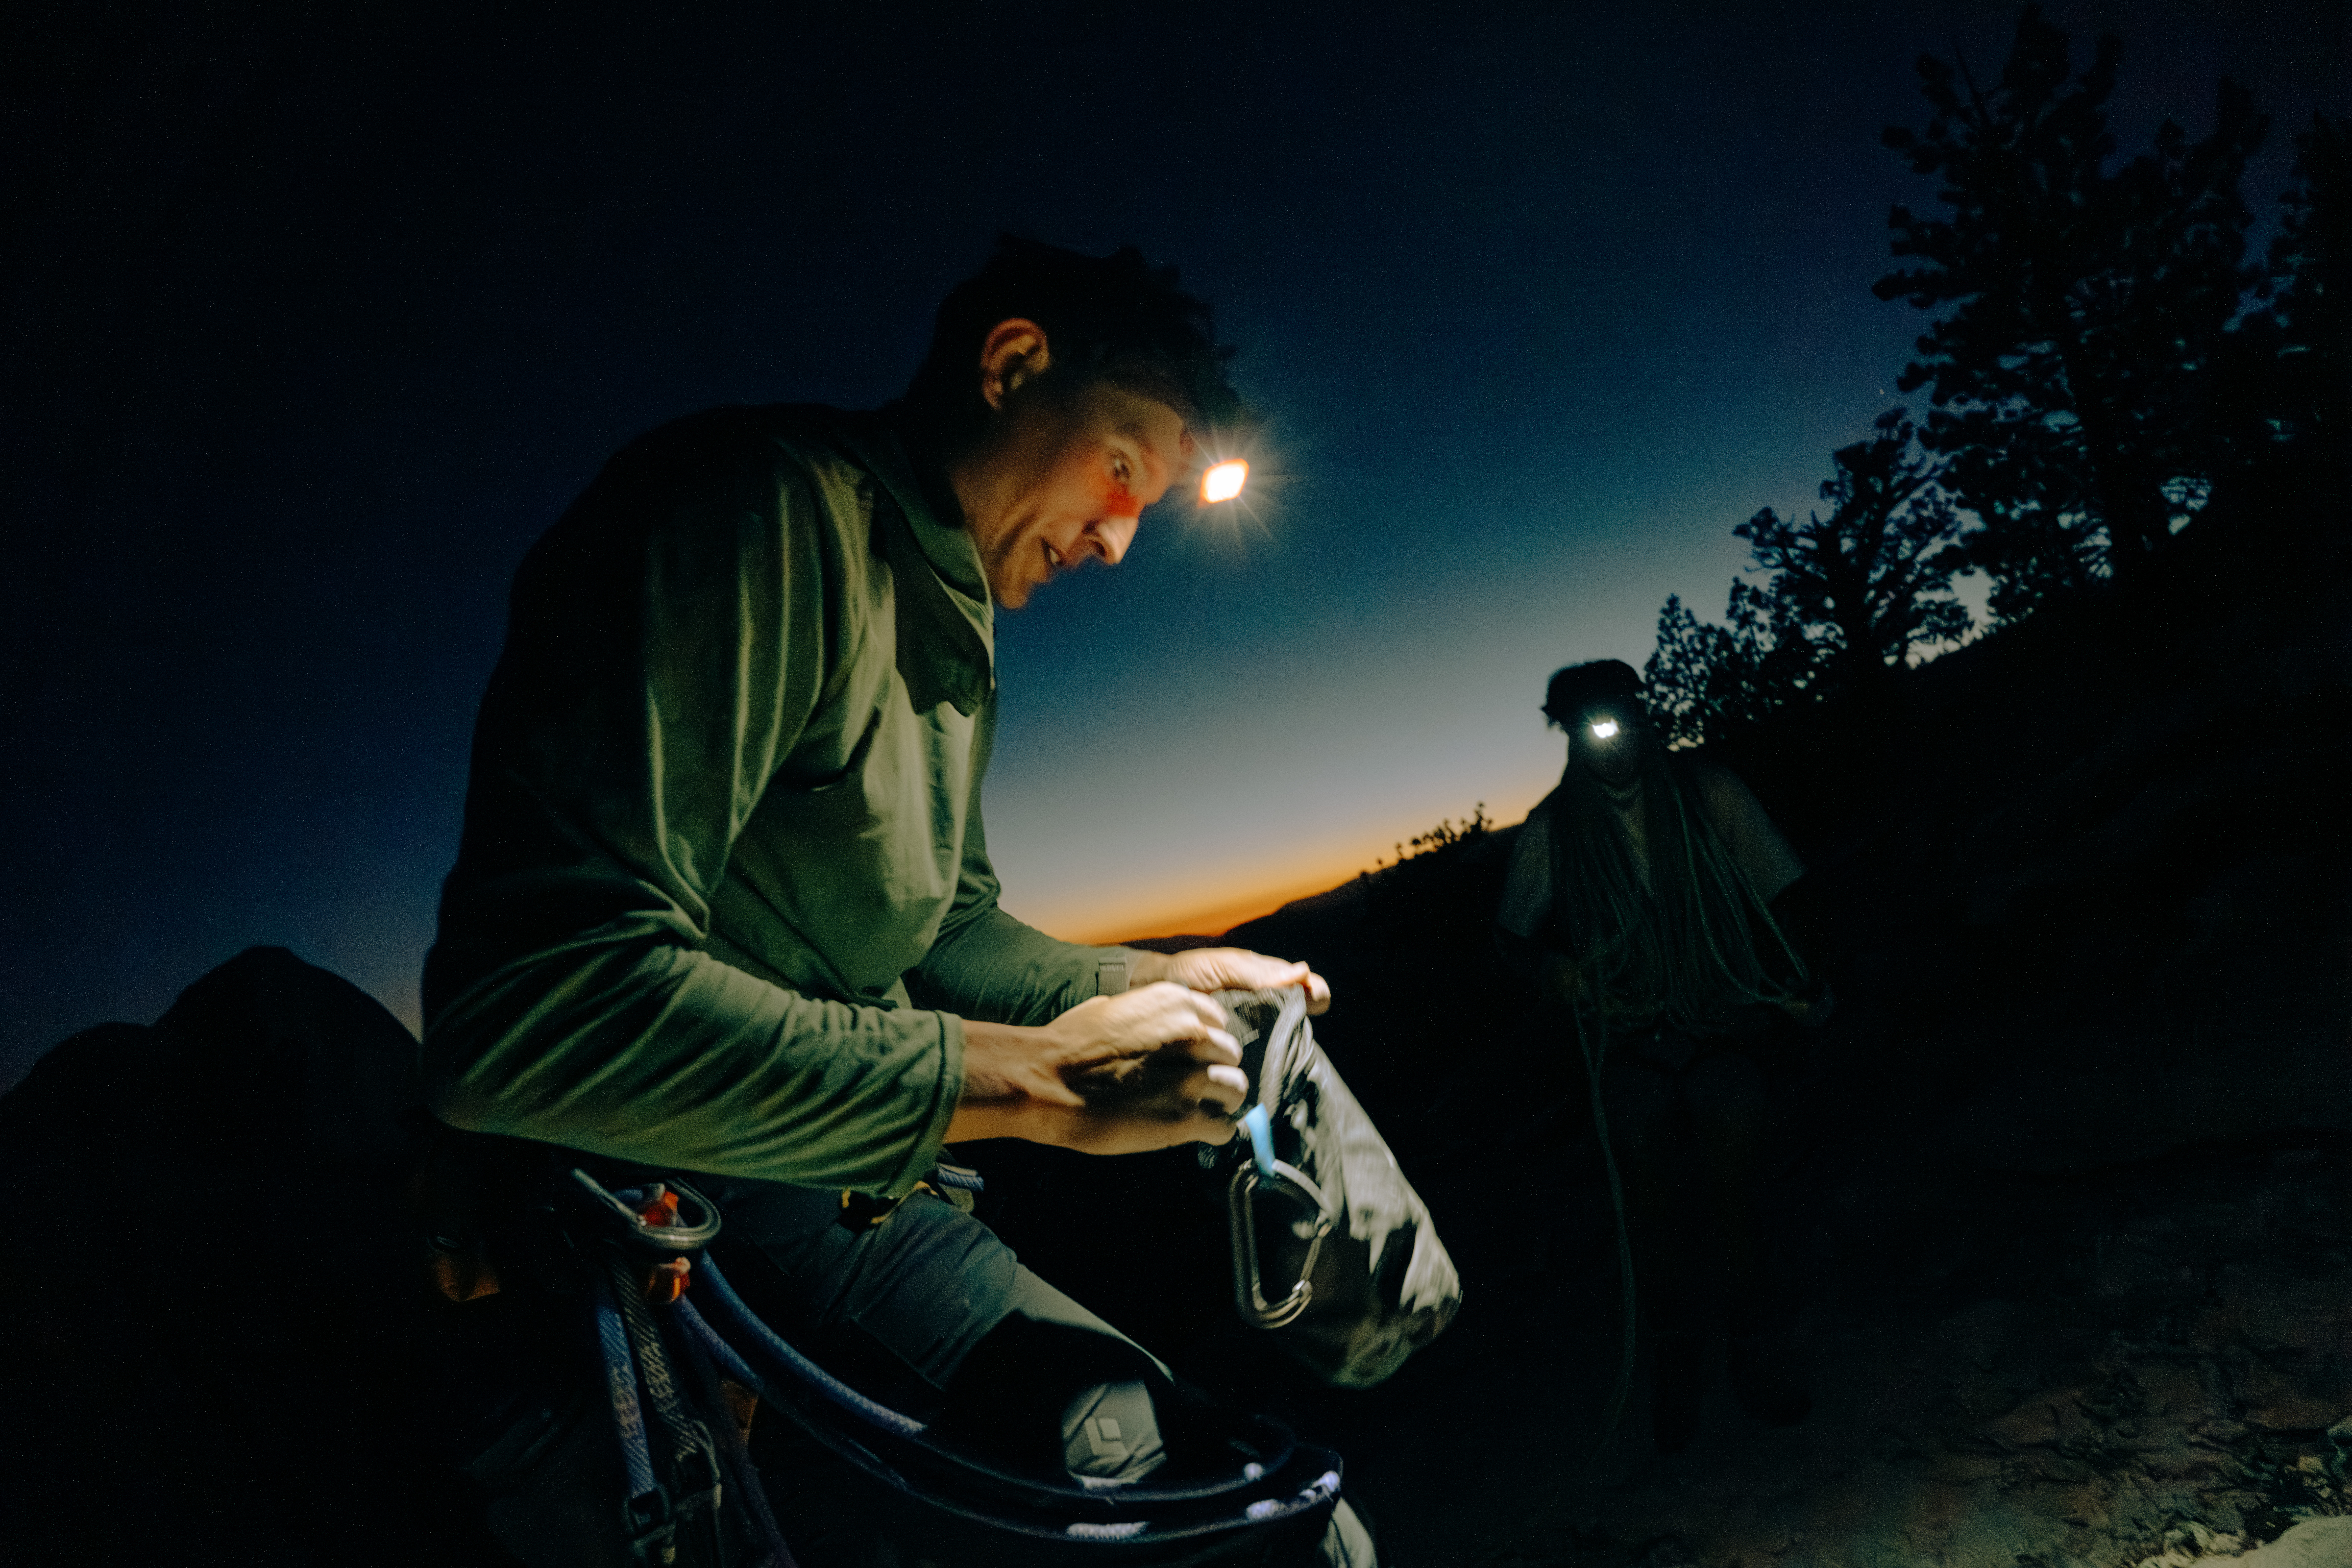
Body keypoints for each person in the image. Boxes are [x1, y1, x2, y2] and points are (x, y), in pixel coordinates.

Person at [420, 237, 1375, 1564]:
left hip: (859, 1200)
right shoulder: (757, 512)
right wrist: (1036, 1084)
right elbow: (532, 1008)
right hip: (672, 1219)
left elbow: (946, 934)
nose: (1117, 542)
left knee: (1260, 1518)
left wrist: (1156, 978)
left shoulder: (953, 620)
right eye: (1120, 470)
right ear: (1013, 365)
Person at [1494, 659, 1830, 1456]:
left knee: (1732, 1191)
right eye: (1592, 727)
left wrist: (1799, 973)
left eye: (1623, 718)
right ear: (1567, 736)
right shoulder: (1551, 831)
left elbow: (1785, 889)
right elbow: (1510, 938)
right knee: (1652, 1214)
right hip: (1633, 1040)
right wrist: (1553, 968)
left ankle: (1753, 1355)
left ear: (1645, 717)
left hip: (1720, 1022)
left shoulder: (1711, 794)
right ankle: (1678, 1366)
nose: (1613, 740)